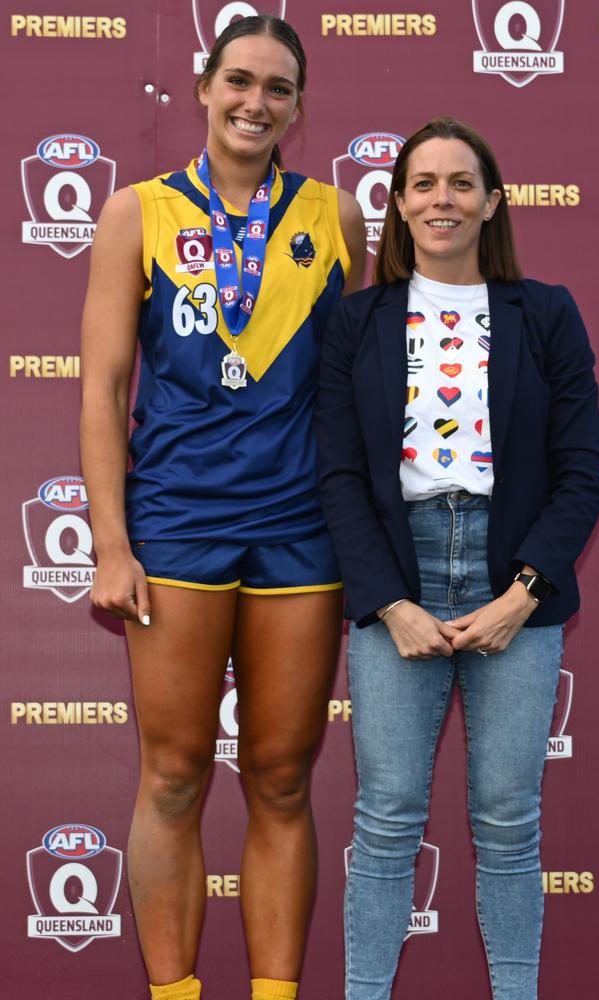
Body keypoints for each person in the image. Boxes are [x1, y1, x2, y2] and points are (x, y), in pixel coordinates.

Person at [80, 15, 365, 1000]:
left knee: (282, 777)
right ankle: (174, 991)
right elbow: (102, 386)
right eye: (237, 80)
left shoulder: (334, 216)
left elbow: (341, 384)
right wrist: (111, 545)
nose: (254, 102)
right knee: (173, 775)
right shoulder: (137, 213)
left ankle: (277, 991)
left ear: (297, 107)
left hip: (300, 529)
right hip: (175, 523)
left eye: (276, 88)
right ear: (202, 86)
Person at [316, 116, 599, 1000]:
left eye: (461, 182)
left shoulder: (546, 311)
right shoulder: (356, 320)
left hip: (511, 572)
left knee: (510, 821)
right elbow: (336, 476)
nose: (442, 198)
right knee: (388, 816)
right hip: (396, 573)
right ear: (398, 205)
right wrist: (387, 603)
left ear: (491, 201)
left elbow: (582, 470)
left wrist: (524, 593)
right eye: (424, 184)